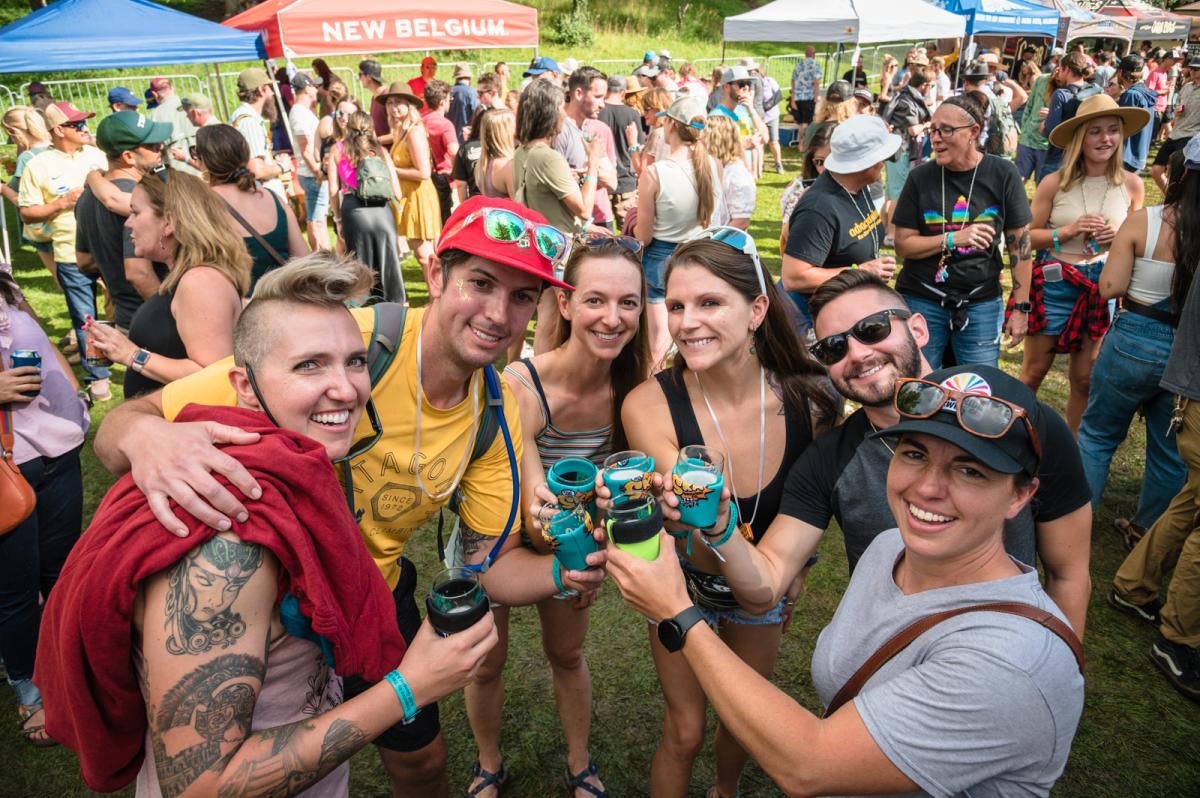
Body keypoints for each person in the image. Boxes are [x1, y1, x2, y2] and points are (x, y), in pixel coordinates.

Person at [92, 196, 606, 797]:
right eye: (481, 283)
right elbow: (125, 423)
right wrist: (147, 436)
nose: (498, 313)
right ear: (436, 276)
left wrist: (572, 571)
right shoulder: (342, 345)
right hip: (269, 607)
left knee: (422, 763)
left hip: (372, 595)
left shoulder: (493, 412)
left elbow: (487, 568)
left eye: (523, 297)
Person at [37, 254, 499, 796]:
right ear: (246, 387)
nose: (347, 389)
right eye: (309, 366)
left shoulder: (292, 476)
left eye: (354, 361)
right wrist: (409, 686)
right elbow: (200, 784)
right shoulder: (228, 542)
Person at [607, 361, 1086, 797]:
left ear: (1020, 496)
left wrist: (677, 612)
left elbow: (808, 766)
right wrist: (717, 525)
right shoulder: (887, 550)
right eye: (915, 454)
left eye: (970, 471)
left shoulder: (1012, 665)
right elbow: (764, 586)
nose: (927, 488)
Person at [618, 230, 839, 798]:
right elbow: (687, 512)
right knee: (686, 731)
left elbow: (808, 507)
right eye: (676, 306)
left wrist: (797, 571)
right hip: (682, 587)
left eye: (710, 303)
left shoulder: (810, 401)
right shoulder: (648, 404)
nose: (687, 322)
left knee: (743, 728)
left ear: (758, 309)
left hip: (759, 592)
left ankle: (725, 791)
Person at [464, 236, 651, 798]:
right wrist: (582, 555)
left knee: (566, 654)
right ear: (565, 304)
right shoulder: (521, 386)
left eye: (629, 303)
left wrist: (595, 552)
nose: (612, 318)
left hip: (570, 549)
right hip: (498, 541)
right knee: (484, 664)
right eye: (595, 300)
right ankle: (488, 763)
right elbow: (532, 501)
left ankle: (579, 763)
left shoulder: (633, 390)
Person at [1109, 140, 1200, 704]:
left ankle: (1135, 585)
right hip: (1179, 367)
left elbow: (1110, 287)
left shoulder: (1157, 219)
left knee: (1189, 490)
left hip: (1153, 350)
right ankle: (1179, 634)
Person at [1079, 140, 1197, 552]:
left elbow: (1108, 286)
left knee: (1097, 435)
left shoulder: (1146, 221)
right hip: (1185, 351)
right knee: (1168, 453)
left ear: (1177, 176)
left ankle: (1076, 522)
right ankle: (1145, 532)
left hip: (1134, 337)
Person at [1018, 94, 1147, 433]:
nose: (1105, 139)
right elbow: (1024, 238)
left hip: (1102, 285)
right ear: (1080, 137)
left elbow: (1137, 246)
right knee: (1032, 373)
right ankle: (1014, 440)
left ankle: (1074, 456)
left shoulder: (1133, 185)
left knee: (1085, 379)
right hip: (1057, 281)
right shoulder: (1054, 182)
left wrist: (1116, 240)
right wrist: (1067, 231)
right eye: (1095, 131)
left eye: (1113, 130)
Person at [0, 264, 88, 747]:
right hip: (6, 466)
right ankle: (31, 689)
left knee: (60, 573)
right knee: (14, 593)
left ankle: (66, 670)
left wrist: (73, 391)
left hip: (57, 451)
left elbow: (41, 335)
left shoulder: (3, 279)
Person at [893, 94, 1034, 369]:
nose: (936, 138)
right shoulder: (920, 177)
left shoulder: (1002, 174)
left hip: (980, 304)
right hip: (923, 299)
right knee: (919, 384)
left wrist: (1020, 308)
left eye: (946, 130)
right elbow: (903, 245)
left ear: (974, 132)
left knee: (976, 388)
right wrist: (952, 238)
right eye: (933, 129)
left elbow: (1021, 246)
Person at [83, 170, 249, 400]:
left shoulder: (200, 281)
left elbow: (213, 374)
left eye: (135, 212)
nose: (128, 224)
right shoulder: (187, 277)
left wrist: (131, 354)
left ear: (169, 222)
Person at [17, 101, 109, 401]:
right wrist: (61, 203)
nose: (84, 129)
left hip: (109, 249)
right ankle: (99, 377)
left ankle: (142, 364)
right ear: (58, 130)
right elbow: (27, 213)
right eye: (77, 124)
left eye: (84, 123)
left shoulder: (96, 155)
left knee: (125, 310)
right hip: (70, 254)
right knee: (86, 319)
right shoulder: (37, 165)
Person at [509, 79, 603, 353]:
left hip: (530, 246)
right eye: (560, 107)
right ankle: (540, 384)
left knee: (530, 318)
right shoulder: (549, 157)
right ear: (549, 112)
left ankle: (514, 379)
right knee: (550, 324)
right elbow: (584, 208)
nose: (564, 113)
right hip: (556, 250)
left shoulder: (521, 153)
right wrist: (594, 162)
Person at [633, 95, 724, 365]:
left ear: (671, 125)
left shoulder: (655, 173)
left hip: (661, 259)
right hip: (700, 255)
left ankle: (656, 398)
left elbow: (644, 236)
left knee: (657, 346)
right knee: (698, 337)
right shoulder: (714, 165)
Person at [782, 115, 896, 327]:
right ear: (864, 164)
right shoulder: (819, 207)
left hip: (841, 311)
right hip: (812, 322)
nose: (884, 162)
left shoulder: (858, 188)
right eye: (881, 157)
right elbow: (793, 277)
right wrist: (861, 271)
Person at [75, 110, 170, 339]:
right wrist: (171, 318)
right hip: (155, 319)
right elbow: (139, 273)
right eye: (153, 145)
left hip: (128, 318)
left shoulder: (87, 197)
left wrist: (111, 260)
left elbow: (85, 261)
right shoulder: (139, 197)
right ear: (128, 156)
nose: (161, 147)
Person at [194, 124, 308, 292]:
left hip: (239, 309)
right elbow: (303, 260)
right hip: (283, 303)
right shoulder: (273, 198)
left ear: (204, 162)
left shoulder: (202, 206)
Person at [327, 110, 404, 303]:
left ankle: (365, 310)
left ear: (348, 127)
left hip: (355, 212)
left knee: (361, 265)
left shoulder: (337, 150)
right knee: (390, 264)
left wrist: (337, 220)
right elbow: (397, 192)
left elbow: (333, 190)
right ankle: (397, 308)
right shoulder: (380, 151)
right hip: (382, 212)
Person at [380, 81, 441, 277]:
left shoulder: (414, 131)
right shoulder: (401, 129)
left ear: (409, 106)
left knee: (425, 254)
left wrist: (391, 169)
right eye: (389, 102)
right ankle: (436, 298)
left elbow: (424, 173)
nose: (393, 107)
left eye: (398, 102)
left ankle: (436, 299)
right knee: (423, 253)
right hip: (409, 196)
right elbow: (389, 137)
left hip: (418, 196)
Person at [555, 67, 619, 233]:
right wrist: (592, 169)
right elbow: (555, 189)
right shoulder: (559, 131)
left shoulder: (592, 130)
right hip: (569, 227)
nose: (603, 104)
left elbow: (612, 182)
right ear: (578, 93)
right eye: (598, 97)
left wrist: (587, 172)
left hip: (596, 219)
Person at [2, 106, 57, 281]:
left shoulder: (27, 158)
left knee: (63, 280)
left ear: (12, 131)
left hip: (43, 227)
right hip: (66, 221)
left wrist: (3, 189)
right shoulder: (55, 148)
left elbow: (22, 200)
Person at [881, 68, 931, 245]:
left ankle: (884, 229)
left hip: (895, 151)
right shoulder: (908, 101)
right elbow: (912, 129)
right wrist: (927, 124)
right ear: (923, 84)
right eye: (929, 85)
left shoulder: (903, 95)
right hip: (900, 153)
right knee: (897, 195)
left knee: (889, 193)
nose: (930, 89)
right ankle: (891, 235)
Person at [230, 67, 288, 201]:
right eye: (269, 88)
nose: (273, 93)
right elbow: (256, 170)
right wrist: (282, 166)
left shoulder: (242, 116)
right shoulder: (250, 122)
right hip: (264, 195)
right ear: (261, 89)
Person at [289, 71, 331, 251]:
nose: (317, 89)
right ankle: (324, 259)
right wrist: (318, 172)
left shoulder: (302, 111)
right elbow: (305, 147)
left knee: (317, 219)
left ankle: (325, 258)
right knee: (316, 221)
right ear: (307, 89)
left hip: (311, 173)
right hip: (312, 174)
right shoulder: (299, 113)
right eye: (314, 86)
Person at [1040, 52, 1096, 182]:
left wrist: (1044, 125)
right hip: (1083, 158)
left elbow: (1051, 131)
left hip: (1058, 157)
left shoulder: (1061, 94)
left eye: (1061, 69)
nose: (1058, 72)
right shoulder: (1094, 90)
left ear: (1067, 69)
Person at [779, 122, 833, 257]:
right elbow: (785, 243)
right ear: (811, 160)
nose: (825, 169)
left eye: (832, 160)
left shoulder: (857, 185)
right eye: (819, 162)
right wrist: (801, 205)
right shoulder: (798, 189)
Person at [598, 75, 644, 231]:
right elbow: (639, 146)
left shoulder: (598, 111)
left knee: (602, 234)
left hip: (601, 181)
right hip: (626, 181)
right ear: (624, 93)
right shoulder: (632, 114)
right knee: (630, 234)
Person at [1151, 57, 1200, 194]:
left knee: (1176, 173)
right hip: (1175, 133)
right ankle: (1172, 199)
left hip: (1192, 136)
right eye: (1191, 68)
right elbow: (1179, 105)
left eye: (1196, 69)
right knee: (1156, 171)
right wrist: (1177, 111)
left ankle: (1175, 203)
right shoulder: (1187, 87)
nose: (1192, 71)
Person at [704, 114, 754, 230]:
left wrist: (711, 243)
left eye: (704, 137)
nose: (699, 141)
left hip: (719, 246)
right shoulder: (716, 167)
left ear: (716, 140)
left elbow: (741, 222)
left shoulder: (737, 174)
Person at [422, 80, 460, 224]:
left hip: (425, 179)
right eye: (449, 99)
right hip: (444, 179)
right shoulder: (445, 124)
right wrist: (457, 174)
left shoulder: (420, 120)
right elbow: (453, 151)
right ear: (443, 101)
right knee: (447, 221)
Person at [1114, 54, 1158, 174]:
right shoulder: (1146, 92)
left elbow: (1124, 125)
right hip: (1139, 152)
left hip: (1127, 155)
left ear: (1121, 72)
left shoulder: (1132, 95)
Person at [474, 107, 516, 201]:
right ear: (506, 132)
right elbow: (519, 207)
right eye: (515, 126)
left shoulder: (482, 163)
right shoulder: (507, 166)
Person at [175, 93, 220, 174]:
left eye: (187, 113)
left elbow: (208, 168)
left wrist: (185, 158)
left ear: (194, 113)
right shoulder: (223, 127)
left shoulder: (205, 134)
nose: (187, 116)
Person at [790, 46, 823, 141]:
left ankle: (800, 141)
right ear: (814, 54)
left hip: (798, 98)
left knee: (801, 123)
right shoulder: (815, 65)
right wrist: (817, 97)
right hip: (809, 98)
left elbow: (793, 81)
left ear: (805, 54)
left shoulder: (798, 65)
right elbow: (817, 82)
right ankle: (804, 143)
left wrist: (793, 99)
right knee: (806, 122)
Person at [359, 59, 393, 147]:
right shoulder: (374, 97)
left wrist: (373, 141)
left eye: (360, 74)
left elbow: (396, 134)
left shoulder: (388, 97)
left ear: (369, 77)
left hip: (391, 155)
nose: (359, 78)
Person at [449, 63, 480, 144]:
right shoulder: (471, 92)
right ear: (469, 78)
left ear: (456, 78)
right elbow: (478, 114)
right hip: (466, 139)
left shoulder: (448, 92)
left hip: (449, 139)